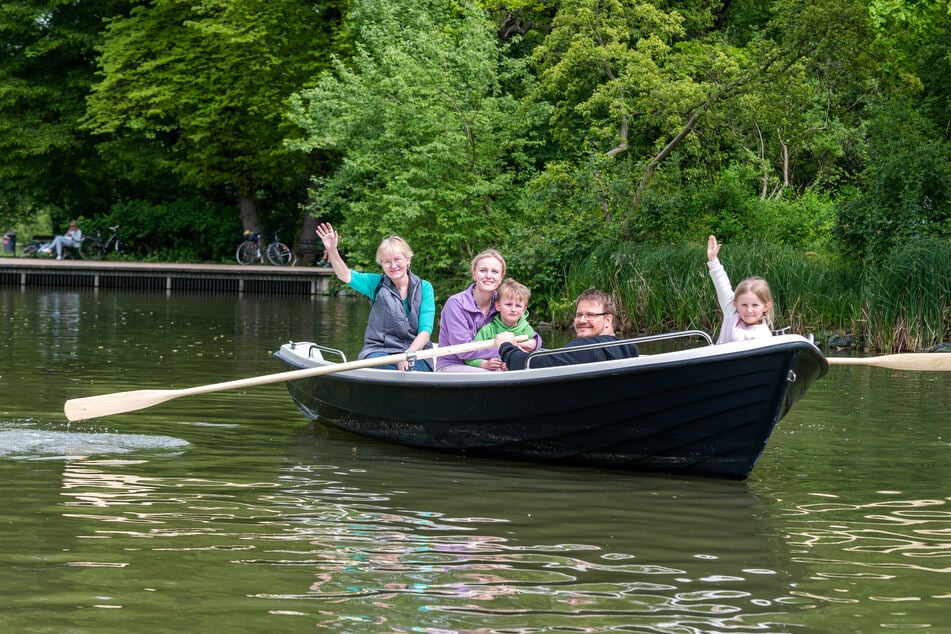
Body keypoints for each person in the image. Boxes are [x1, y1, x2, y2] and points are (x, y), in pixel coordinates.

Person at [316, 222, 434, 371]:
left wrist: (408, 354)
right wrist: (332, 250)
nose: (393, 266)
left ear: (408, 259)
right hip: (380, 351)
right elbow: (344, 275)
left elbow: (425, 332)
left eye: (397, 259)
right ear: (382, 265)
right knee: (386, 371)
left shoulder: (425, 287)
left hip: (416, 352)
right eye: (387, 262)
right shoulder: (375, 283)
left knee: (416, 373)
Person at [436, 249, 541, 372]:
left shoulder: (503, 302)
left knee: (527, 368)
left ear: (501, 276)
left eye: (495, 271)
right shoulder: (456, 304)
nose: (489, 276)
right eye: (483, 270)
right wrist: (511, 349)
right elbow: (463, 350)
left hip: (497, 362)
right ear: (474, 273)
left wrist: (534, 342)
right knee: (500, 376)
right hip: (454, 364)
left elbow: (526, 329)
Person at [494, 288, 638, 370]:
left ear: (608, 320)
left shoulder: (584, 349)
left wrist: (506, 346)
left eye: (590, 315)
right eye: (579, 314)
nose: (582, 320)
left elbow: (528, 364)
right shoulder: (628, 348)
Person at [706, 235, 774, 344]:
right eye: (744, 305)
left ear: (766, 306)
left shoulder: (765, 335)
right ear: (735, 304)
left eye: (755, 305)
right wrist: (713, 260)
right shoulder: (732, 312)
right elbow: (722, 286)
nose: (749, 310)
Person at [465, 278, 540, 370]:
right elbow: (469, 357)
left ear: (524, 309)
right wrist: (485, 363)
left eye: (518, 306)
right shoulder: (487, 330)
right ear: (498, 306)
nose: (513, 309)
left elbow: (529, 357)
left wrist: (513, 364)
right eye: (508, 304)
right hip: (491, 371)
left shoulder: (526, 329)